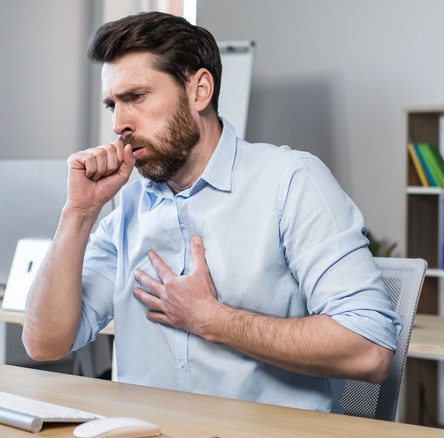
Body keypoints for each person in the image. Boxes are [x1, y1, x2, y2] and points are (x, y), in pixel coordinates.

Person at [21, 11, 401, 413]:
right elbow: (45, 344)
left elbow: (369, 350)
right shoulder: (126, 209)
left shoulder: (289, 182)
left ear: (199, 90)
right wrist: (79, 212)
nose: (119, 123)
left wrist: (211, 319)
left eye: (136, 97)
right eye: (112, 104)